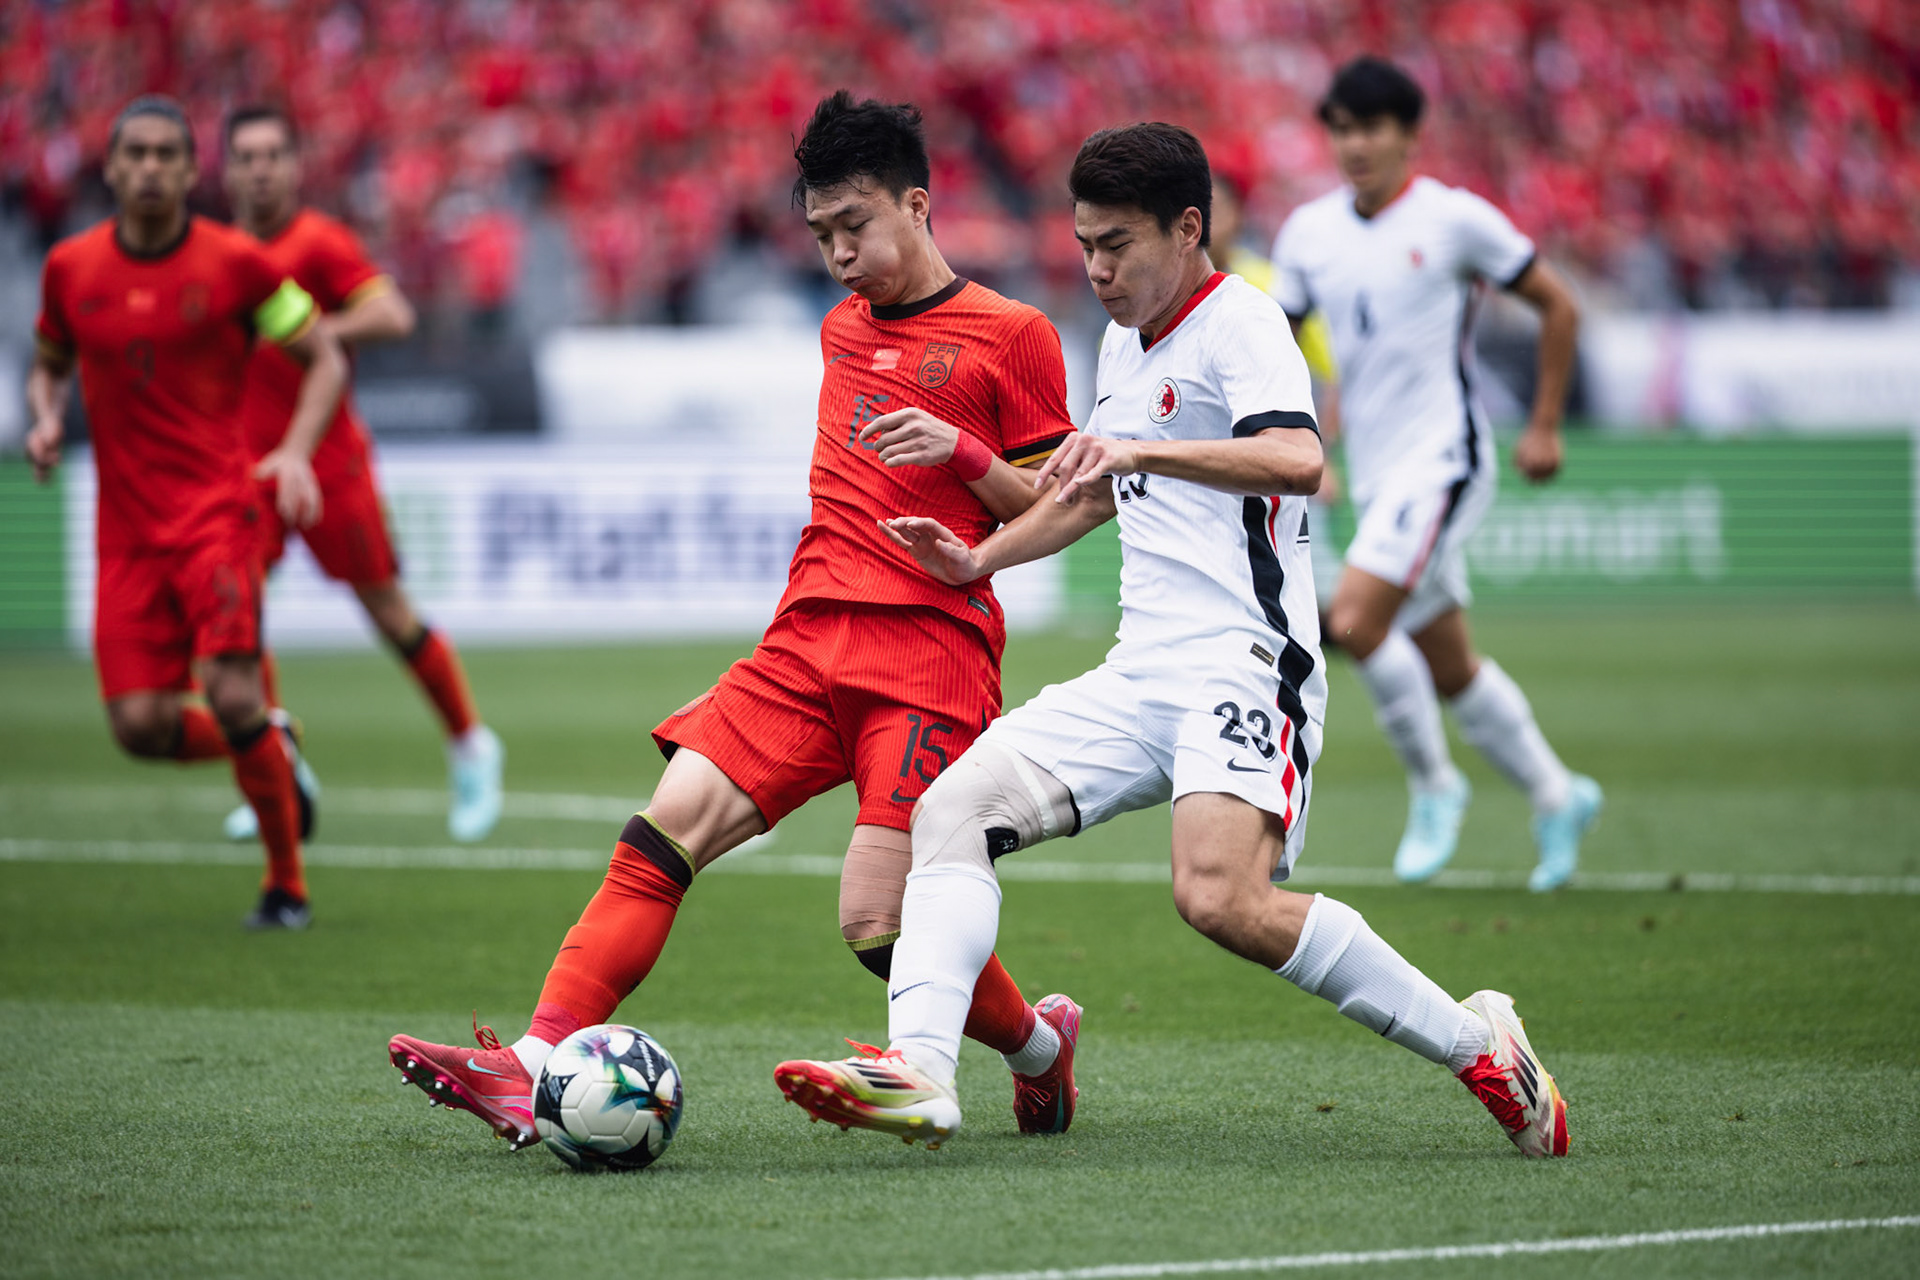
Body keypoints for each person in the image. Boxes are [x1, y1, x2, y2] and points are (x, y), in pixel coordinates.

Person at [774, 123, 1569, 1160]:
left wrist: (1142, 447)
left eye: (1117, 245)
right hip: (1139, 671)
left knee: (1220, 898)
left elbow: (1297, 459)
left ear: (1187, 229)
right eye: (1085, 246)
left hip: (1246, 660)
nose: (1097, 270)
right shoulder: (1122, 340)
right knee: (950, 810)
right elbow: (1091, 489)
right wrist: (980, 560)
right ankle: (920, 1072)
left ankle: (1478, 1045)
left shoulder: (1243, 320)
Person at [387, 91, 1083, 1148]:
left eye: (855, 225)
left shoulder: (1014, 334)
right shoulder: (840, 329)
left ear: (918, 204)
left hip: (930, 653)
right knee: (660, 832)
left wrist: (966, 454)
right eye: (820, 233)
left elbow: (1060, 506)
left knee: (878, 923)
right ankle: (529, 1065)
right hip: (804, 640)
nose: (838, 253)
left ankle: (1036, 1049)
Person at [1272, 57, 1600, 890]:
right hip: (1375, 471)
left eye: (1372, 128)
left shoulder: (1455, 221)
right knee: (1448, 662)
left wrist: (1545, 425)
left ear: (1411, 135)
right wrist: (1301, 442)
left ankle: (1434, 785)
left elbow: (1560, 304)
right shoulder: (1307, 234)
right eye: (1342, 129)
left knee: (1354, 619)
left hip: (1445, 459)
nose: (1355, 145)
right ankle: (1557, 795)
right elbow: (1279, 350)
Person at [26, 96, 348, 929]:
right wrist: (47, 417)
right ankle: (274, 745)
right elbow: (49, 359)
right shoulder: (70, 269)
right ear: (109, 166)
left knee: (232, 696)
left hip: (216, 521)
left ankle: (286, 887)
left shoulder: (236, 264)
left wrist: (295, 450)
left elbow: (323, 356)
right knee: (138, 726)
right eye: (134, 153)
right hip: (125, 536)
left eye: (166, 154)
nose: (150, 168)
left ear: (191, 169)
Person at [221, 105, 503, 844]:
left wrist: (310, 332)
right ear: (226, 169)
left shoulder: (317, 242)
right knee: (235, 616)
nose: (260, 170)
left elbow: (394, 316)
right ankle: (275, 768)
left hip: (330, 462)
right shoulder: (216, 254)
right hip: (247, 468)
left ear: (294, 165)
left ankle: (470, 743)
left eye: (272, 154)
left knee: (387, 610)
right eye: (246, 156)